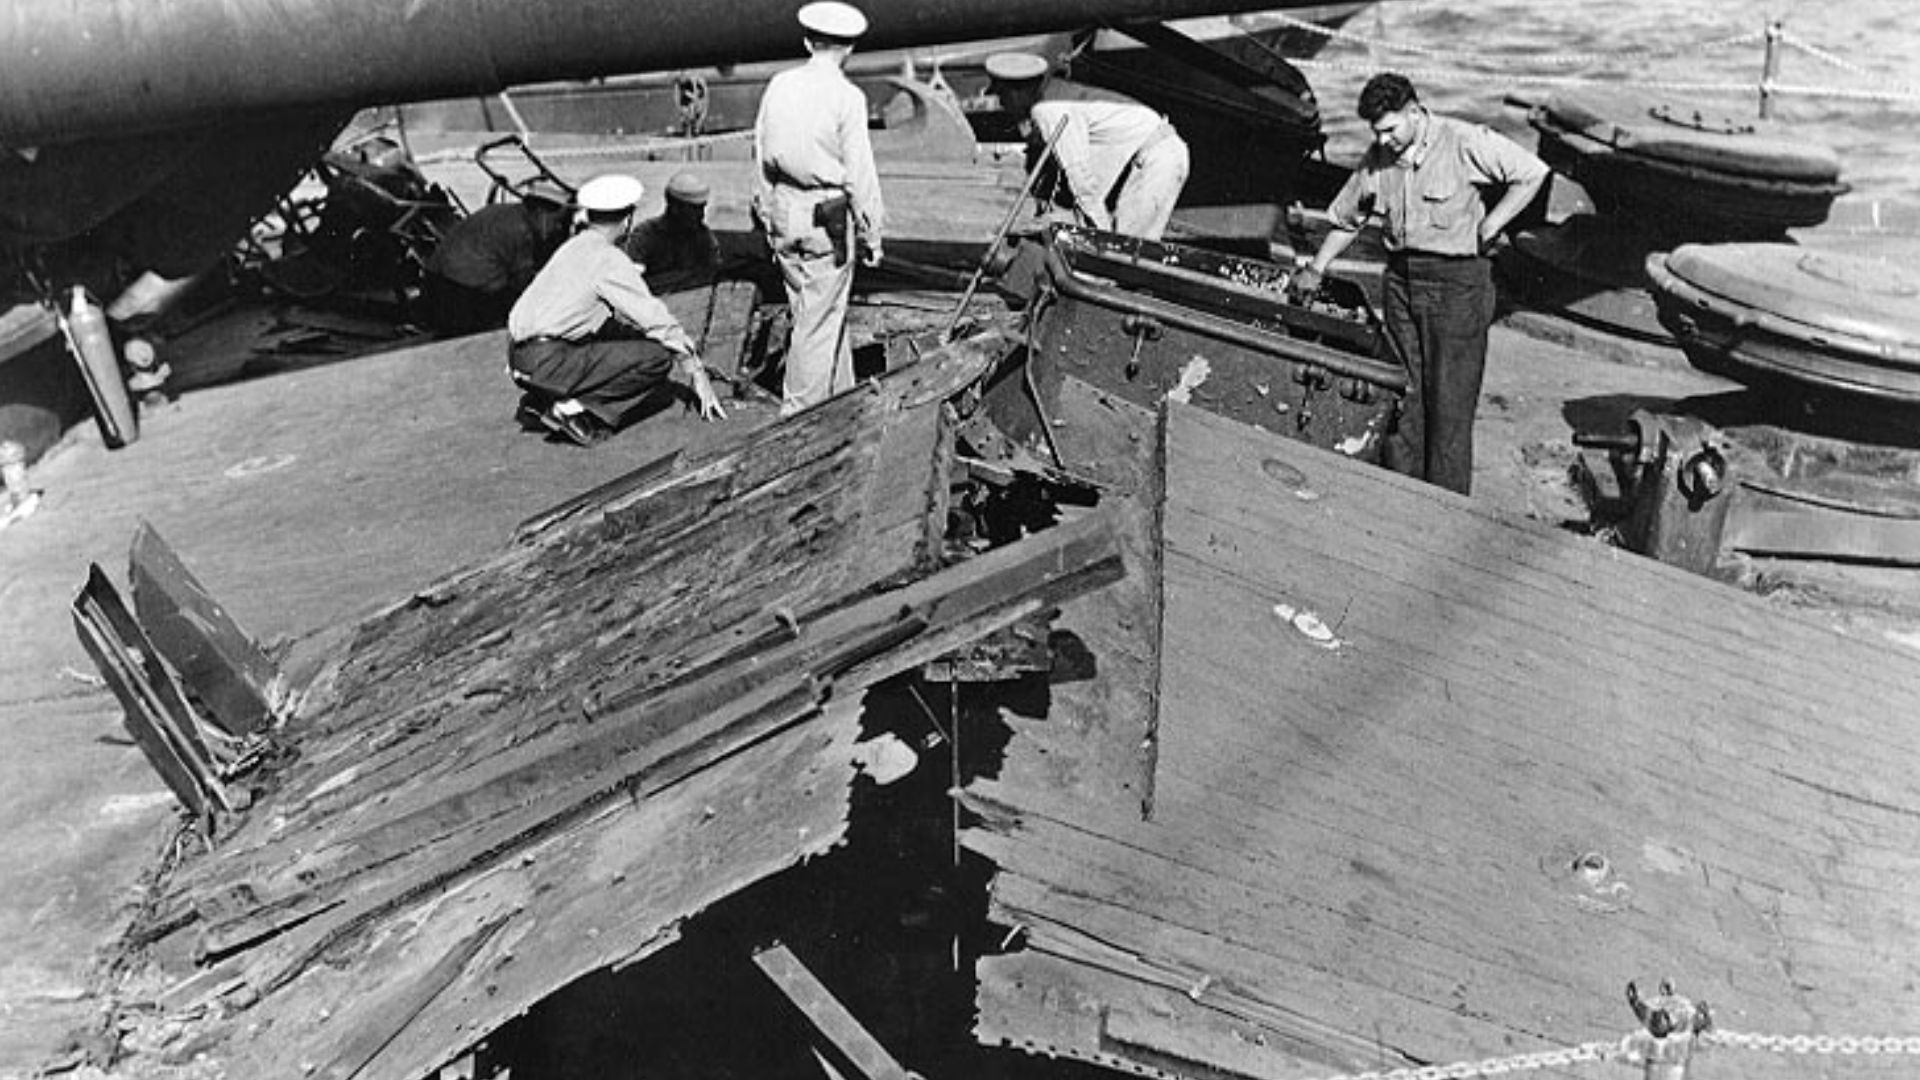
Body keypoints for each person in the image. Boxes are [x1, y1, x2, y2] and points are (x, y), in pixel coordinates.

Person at [1292, 72, 1547, 495]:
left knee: (1449, 407)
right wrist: (1316, 268)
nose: (1385, 140)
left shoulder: (1464, 141)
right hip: (1401, 283)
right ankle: (1402, 497)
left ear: (1414, 113)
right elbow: (1345, 219)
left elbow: (1531, 173)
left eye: (1391, 129)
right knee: (1401, 395)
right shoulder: (1379, 156)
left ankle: (1444, 507)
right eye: (1377, 132)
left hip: (1458, 286)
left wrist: (1494, 222)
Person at [506, 174, 726, 445]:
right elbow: (654, 318)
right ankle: (573, 408)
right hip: (549, 361)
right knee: (656, 357)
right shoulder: (610, 259)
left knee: (617, 341)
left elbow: (588, 317)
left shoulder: (573, 247)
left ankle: (544, 395)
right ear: (627, 219)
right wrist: (695, 369)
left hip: (520, 358)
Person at [752, 0, 884, 417]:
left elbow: (759, 150)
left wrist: (765, 210)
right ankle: (798, 417)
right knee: (817, 320)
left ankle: (841, 401)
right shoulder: (848, 97)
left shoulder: (779, 84)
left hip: (783, 210)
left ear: (808, 41)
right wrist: (872, 233)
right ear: (849, 48)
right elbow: (860, 173)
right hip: (827, 216)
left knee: (818, 313)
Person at [984, 52, 1189, 241]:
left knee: (1127, 256)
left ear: (1018, 92)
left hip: (1157, 158)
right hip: (1153, 151)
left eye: (1003, 96)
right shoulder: (1054, 92)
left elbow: (1080, 178)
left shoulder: (1048, 110)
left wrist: (1101, 237)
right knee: (1123, 252)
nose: (1002, 104)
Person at [419, 178, 575, 335]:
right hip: (457, 296)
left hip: (435, 281)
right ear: (542, 213)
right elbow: (523, 283)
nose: (557, 227)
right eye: (556, 221)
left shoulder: (507, 212)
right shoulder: (522, 231)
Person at [622, 171, 723, 295]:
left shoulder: (703, 238)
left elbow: (713, 275)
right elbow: (629, 282)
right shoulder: (645, 235)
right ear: (675, 207)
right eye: (694, 210)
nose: (701, 215)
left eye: (702, 208)